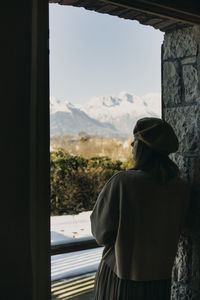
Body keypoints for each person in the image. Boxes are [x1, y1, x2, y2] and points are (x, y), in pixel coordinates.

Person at [90, 117, 190, 300]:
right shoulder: (181, 188)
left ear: (142, 149)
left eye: (134, 142)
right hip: (159, 282)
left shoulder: (122, 182)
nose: (131, 146)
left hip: (120, 277)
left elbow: (100, 232)